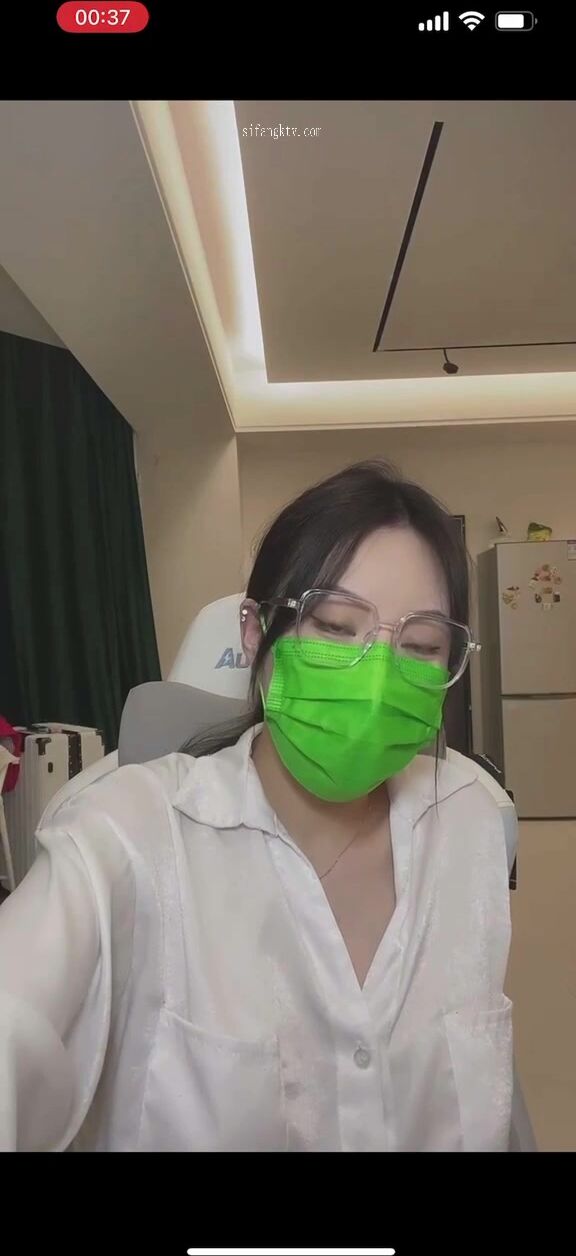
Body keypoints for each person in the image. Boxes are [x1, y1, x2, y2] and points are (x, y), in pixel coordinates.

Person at [0, 459, 513, 1152]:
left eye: (420, 645)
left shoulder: (471, 822)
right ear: (254, 630)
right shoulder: (124, 834)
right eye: (336, 626)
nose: (376, 680)